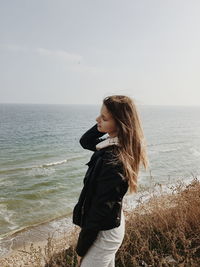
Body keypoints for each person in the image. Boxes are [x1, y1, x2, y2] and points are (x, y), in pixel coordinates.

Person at [72, 95, 149, 267]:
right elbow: (86, 141)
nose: (97, 119)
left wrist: (81, 249)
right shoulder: (112, 145)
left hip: (104, 233)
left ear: (121, 123)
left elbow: (99, 211)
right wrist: (103, 124)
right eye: (99, 115)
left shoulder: (114, 159)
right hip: (108, 225)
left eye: (104, 117)